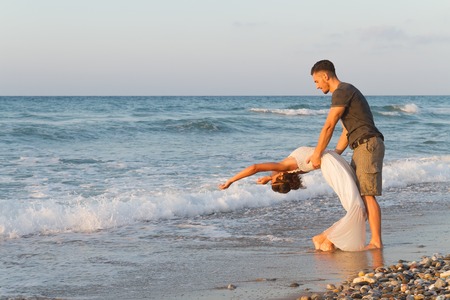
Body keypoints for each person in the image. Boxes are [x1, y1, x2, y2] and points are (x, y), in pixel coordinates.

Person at [219, 146, 367, 252]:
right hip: (333, 164)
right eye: (273, 178)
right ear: (282, 176)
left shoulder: (288, 168)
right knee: (358, 208)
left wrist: (268, 177)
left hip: (334, 162)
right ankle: (327, 239)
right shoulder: (285, 167)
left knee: (358, 208)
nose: (271, 174)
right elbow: (255, 167)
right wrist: (231, 181)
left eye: (272, 180)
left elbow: (265, 170)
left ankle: (323, 238)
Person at [308, 60, 385, 250]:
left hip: (368, 144)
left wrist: (318, 154)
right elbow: (345, 131)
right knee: (360, 196)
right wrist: (335, 154)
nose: (317, 86)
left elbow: (329, 125)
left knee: (368, 195)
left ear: (325, 76)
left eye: (317, 81)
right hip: (361, 146)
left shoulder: (342, 91)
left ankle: (375, 241)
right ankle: (347, 238)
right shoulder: (345, 93)